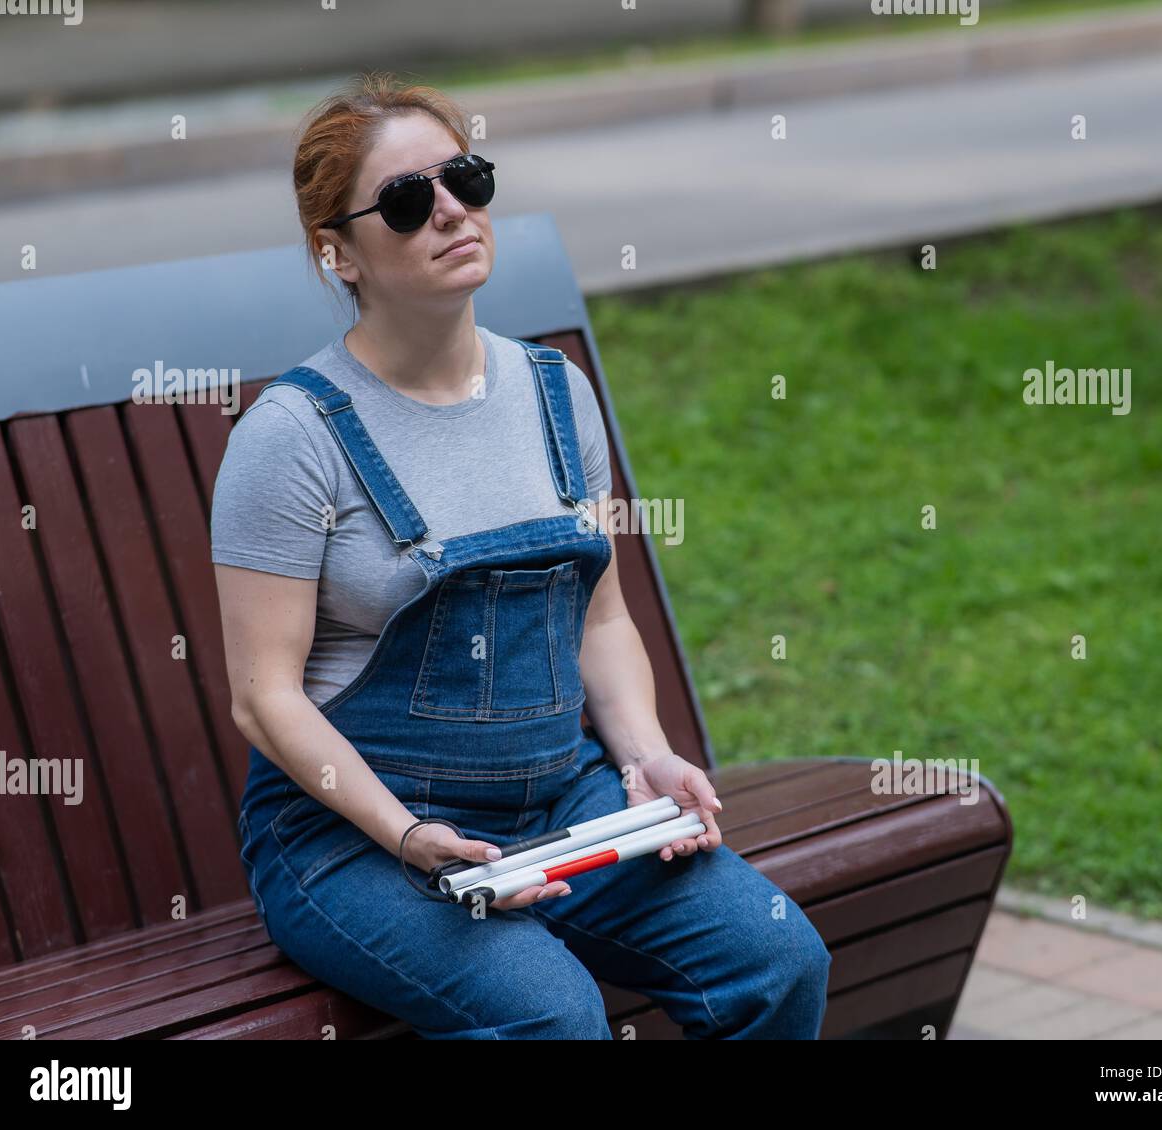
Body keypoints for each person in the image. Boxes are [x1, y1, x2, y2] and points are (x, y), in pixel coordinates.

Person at [211, 72, 830, 1039]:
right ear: (339, 253)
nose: (452, 210)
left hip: (559, 800)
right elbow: (265, 697)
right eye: (410, 202)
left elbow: (605, 618)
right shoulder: (294, 435)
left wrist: (648, 756)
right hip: (352, 840)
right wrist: (411, 839)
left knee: (778, 958)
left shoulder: (554, 392)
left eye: (466, 177)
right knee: (553, 1016)